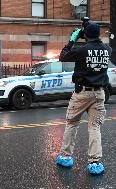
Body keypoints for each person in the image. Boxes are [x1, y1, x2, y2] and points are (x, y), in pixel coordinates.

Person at [56, 23, 112, 175]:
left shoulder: (83, 50)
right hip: (99, 93)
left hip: (82, 93)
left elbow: (63, 56)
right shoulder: (108, 49)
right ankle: (95, 162)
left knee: (72, 123)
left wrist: (72, 40)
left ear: (85, 35)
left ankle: (66, 157)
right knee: (95, 127)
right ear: (98, 34)